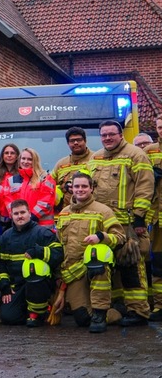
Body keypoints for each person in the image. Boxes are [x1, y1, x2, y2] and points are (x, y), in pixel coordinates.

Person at [88, 119, 154, 326]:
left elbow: (145, 186)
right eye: (104, 135)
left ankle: (139, 312)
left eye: (111, 134)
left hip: (128, 224)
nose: (107, 138)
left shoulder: (136, 154)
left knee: (131, 267)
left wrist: (139, 216)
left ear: (121, 135)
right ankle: (119, 305)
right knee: (109, 267)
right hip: (104, 224)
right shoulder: (96, 157)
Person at [55, 172, 125, 332]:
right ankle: (114, 312)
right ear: (71, 188)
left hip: (95, 267)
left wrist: (101, 236)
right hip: (74, 271)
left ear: (92, 188)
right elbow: (59, 243)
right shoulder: (64, 212)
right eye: (77, 186)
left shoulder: (103, 211)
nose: (80, 189)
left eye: (84, 186)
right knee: (82, 318)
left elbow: (120, 237)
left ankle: (101, 314)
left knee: (97, 256)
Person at [0, 199, 62, 327]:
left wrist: (39, 252)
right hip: (17, 286)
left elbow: (58, 254)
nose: (20, 216)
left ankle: (38, 313)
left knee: (33, 267)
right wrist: (4, 284)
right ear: (11, 215)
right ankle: (30, 310)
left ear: (29, 213)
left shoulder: (42, 233)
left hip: (40, 283)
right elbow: (1, 264)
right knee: (9, 317)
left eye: (23, 212)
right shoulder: (6, 236)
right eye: (16, 213)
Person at [137, 122, 162, 321]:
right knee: (158, 265)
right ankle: (159, 306)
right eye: (160, 127)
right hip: (156, 217)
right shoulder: (149, 152)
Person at [52, 127, 94, 210]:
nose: (75, 143)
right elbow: (49, 184)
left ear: (85, 141)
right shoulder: (61, 164)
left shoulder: (95, 159)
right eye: (72, 141)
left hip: (90, 210)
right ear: (68, 143)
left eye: (79, 140)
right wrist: (63, 188)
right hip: (66, 211)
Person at [15, 148, 56, 227]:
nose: (25, 162)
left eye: (30, 159)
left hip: (42, 226)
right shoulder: (17, 180)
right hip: (23, 224)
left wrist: (30, 217)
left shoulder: (45, 178)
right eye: (23, 158)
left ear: (35, 161)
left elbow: (46, 202)